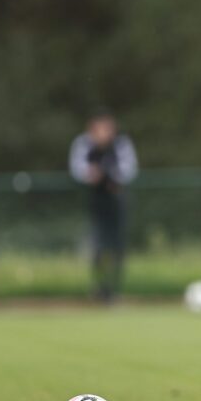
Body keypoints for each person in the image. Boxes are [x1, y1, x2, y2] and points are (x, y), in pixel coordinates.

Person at [69, 111, 138, 303]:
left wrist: (111, 175)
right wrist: (91, 175)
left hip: (117, 200)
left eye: (108, 129)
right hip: (96, 201)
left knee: (118, 246)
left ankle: (114, 290)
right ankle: (98, 289)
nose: (104, 133)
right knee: (98, 246)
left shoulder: (121, 144)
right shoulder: (84, 144)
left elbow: (129, 169)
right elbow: (77, 169)